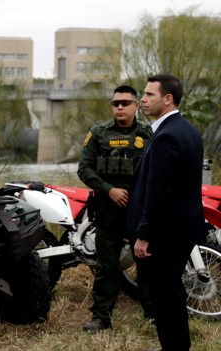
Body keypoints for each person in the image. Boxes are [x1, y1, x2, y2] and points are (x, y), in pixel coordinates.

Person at [127, 74, 205, 351]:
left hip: (165, 232)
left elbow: (159, 193)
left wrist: (144, 235)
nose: (142, 100)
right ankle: (172, 348)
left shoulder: (168, 136)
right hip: (178, 227)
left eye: (148, 95)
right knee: (167, 289)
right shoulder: (185, 130)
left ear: (167, 98)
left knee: (165, 291)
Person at [77, 85, 154, 333]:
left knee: (146, 264)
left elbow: (158, 169)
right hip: (108, 210)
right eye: (115, 103)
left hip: (139, 212)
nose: (119, 107)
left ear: (136, 106)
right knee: (106, 265)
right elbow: (84, 169)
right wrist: (109, 189)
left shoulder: (148, 134)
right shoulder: (98, 134)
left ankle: (153, 314)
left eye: (124, 102)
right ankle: (101, 317)